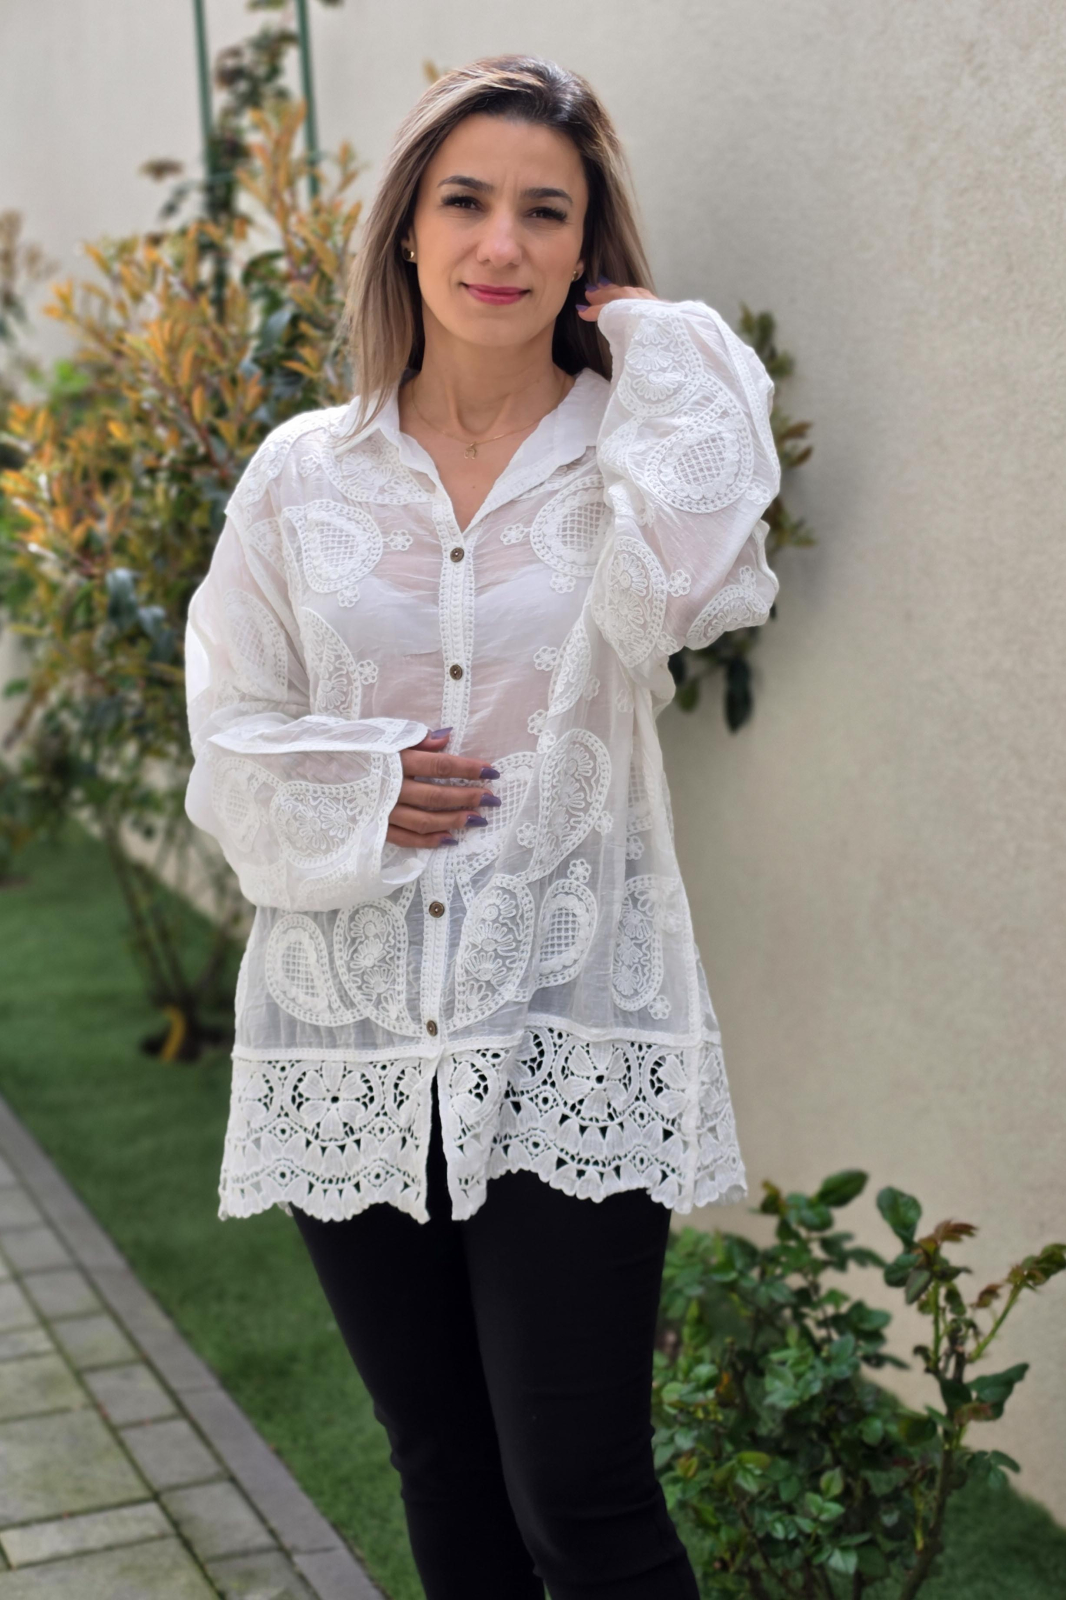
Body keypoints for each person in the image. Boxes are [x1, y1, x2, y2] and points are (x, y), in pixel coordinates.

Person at [184, 52, 780, 1600]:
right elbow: (228, 735)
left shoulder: (625, 464)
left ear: (585, 249)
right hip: (348, 1027)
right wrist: (361, 783)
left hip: (566, 1019)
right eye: (465, 202)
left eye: (544, 212)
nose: (498, 244)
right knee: (441, 1465)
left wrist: (649, 331)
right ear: (406, 228)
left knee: (581, 1495)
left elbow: (712, 559)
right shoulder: (302, 475)